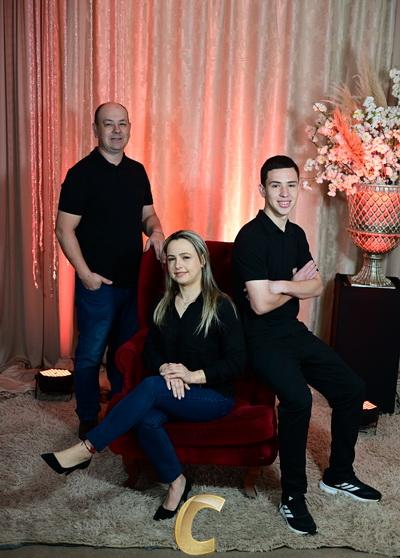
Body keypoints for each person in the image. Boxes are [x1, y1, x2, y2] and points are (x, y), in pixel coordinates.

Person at [41, 230, 246, 520]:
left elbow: (237, 362)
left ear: (202, 260)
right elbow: (151, 352)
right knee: (146, 420)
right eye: (171, 259)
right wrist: (166, 370)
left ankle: (87, 447)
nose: (178, 265)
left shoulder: (222, 305)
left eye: (186, 257)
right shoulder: (163, 304)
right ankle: (177, 482)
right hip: (171, 390)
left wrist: (191, 376)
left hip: (212, 395)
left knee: (150, 387)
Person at [232, 155, 381, 536]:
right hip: (260, 338)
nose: (284, 193)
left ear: (298, 188)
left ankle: (339, 474)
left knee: (352, 388)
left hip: (292, 331)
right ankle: (292, 495)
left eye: (291, 185)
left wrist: (281, 284)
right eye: (276, 185)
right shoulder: (250, 237)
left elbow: (316, 286)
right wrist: (293, 284)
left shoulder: (296, 234)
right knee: (298, 400)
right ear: (262, 189)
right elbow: (259, 305)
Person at [56, 102, 165, 439]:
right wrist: (85, 275)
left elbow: (148, 215)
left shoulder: (137, 172)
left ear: (129, 127)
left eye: (122, 124)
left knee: (125, 353)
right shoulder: (81, 174)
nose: (116, 131)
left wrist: (157, 231)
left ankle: (119, 410)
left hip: (133, 283)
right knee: (90, 356)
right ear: (96, 129)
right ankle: (88, 417)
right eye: (108, 124)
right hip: (97, 284)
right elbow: (63, 229)